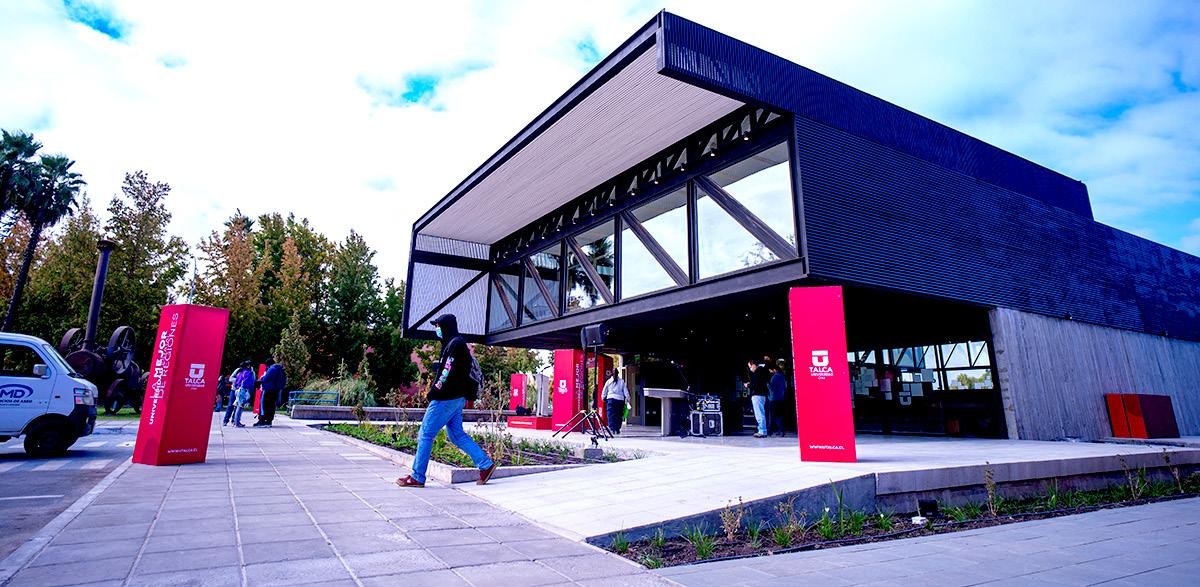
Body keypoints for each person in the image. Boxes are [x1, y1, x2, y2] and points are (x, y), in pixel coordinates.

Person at [396, 314, 496, 488]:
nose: (437, 329)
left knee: (425, 434)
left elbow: (446, 373)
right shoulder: (454, 344)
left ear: (446, 326)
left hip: (446, 398)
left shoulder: (455, 345)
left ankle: (417, 476)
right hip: (456, 398)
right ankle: (485, 465)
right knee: (457, 435)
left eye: (438, 326)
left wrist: (433, 392)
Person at [255, 358, 287, 428]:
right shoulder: (279, 368)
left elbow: (265, 379)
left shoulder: (272, 369)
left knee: (264, 405)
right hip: (275, 390)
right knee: (271, 405)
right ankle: (269, 421)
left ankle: (262, 420)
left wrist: (260, 380)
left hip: (268, 389)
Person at [226, 360, 255, 428]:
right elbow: (248, 383)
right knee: (240, 407)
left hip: (237, 389)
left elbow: (237, 382)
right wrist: (249, 390)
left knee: (237, 406)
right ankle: (237, 422)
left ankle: (235, 421)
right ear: (248, 366)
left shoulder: (240, 373)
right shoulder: (247, 373)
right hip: (243, 390)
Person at [746, 358, 769, 438]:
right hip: (762, 395)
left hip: (757, 395)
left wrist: (748, 385)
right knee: (760, 413)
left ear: (754, 365)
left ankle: (762, 431)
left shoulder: (757, 373)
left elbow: (755, 384)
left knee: (759, 414)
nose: (750, 368)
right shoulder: (762, 372)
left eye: (750, 366)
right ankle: (762, 430)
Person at [602, 369, 628, 435]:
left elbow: (604, 390)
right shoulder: (622, 381)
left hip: (611, 399)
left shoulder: (608, 381)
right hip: (620, 400)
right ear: (618, 373)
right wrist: (628, 398)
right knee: (619, 415)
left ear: (611, 373)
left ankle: (612, 428)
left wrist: (603, 397)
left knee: (610, 414)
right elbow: (625, 391)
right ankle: (617, 428)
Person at [767, 363, 788, 437]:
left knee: (772, 416)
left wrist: (767, 384)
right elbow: (784, 387)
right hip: (781, 398)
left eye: (770, 370)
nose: (770, 371)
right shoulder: (782, 376)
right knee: (779, 415)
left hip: (773, 399)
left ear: (774, 370)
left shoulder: (775, 377)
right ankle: (781, 430)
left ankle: (770, 431)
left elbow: (772, 388)